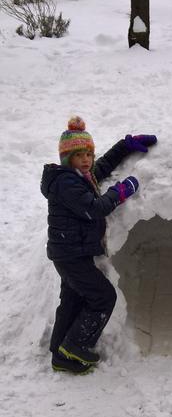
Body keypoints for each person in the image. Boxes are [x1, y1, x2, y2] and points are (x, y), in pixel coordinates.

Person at [41, 116, 157, 374]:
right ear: (67, 158)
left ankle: (60, 353)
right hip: (71, 254)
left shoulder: (77, 176)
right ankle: (76, 345)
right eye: (79, 155)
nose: (86, 160)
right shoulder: (66, 184)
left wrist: (125, 146)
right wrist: (120, 191)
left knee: (72, 300)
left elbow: (101, 166)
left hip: (70, 251)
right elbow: (95, 208)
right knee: (104, 297)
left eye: (88, 154)